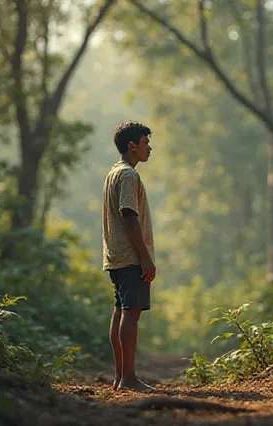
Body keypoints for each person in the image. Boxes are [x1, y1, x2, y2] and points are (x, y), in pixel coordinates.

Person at [102, 121, 156, 392]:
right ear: (131, 146)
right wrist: (145, 257)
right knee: (131, 313)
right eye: (145, 143)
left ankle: (120, 376)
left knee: (120, 312)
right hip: (130, 257)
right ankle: (129, 378)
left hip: (116, 257)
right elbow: (128, 215)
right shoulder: (128, 176)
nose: (149, 148)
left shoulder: (114, 173)